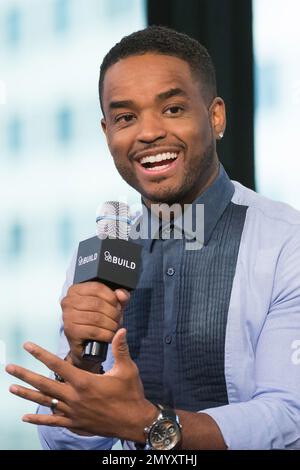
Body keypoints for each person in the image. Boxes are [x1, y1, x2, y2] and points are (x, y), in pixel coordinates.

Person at [6, 25, 300, 450]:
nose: (147, 133)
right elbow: (65, 445)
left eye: (173, 109)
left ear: (215, 116)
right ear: (107, 132)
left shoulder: (286, 242)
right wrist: (80, 362)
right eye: (126, 117)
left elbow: (290, 418)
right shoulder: (98, 257)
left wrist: (148, 423)